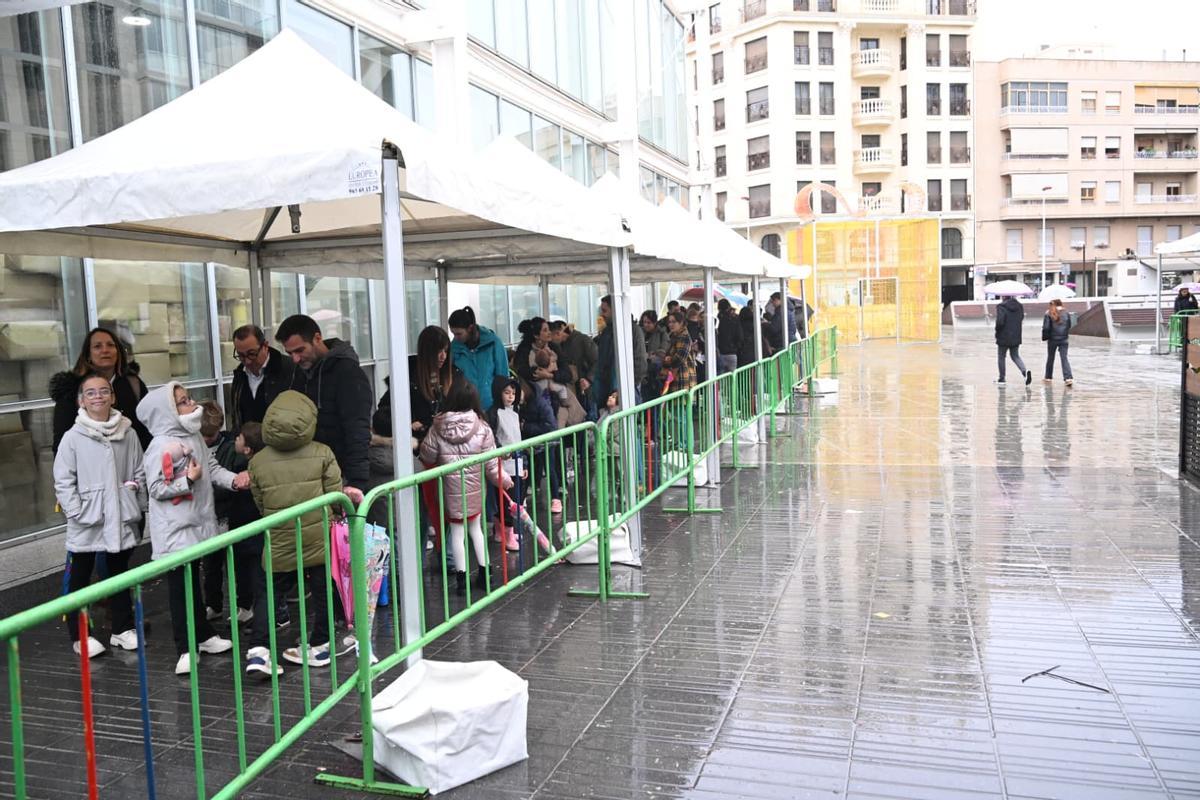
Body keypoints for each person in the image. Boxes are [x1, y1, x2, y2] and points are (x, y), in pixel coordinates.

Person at [138, 382, 245, 675]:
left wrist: (234, 480)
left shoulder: (193, 435)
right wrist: (188, 480)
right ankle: (184, 646)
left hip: (198, 522)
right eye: (184, 402)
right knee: (179, 588)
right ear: (168, 413)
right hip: (175, 530)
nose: (192, 403)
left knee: (192, 583)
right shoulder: (160, 446)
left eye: (188, 398)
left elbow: (210, 468)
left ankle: (204, 634)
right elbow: (157, 488)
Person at [245, 390, 345, 673]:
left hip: (278, 536)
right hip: (318, 537)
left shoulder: (258, 461)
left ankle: (259, 651)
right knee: (322, 586)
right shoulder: (323, 453)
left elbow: (260, 502)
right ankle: (321, 645)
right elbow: (334, 495)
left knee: (269, 592)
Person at [53, 373, 146, 659]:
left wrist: (135, 499)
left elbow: (138, 470)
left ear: (113, 396)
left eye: (103, 391)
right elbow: (63, 479)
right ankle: (80, 635)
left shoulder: (127, 432)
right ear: (81, 400)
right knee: (80, 577)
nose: (98, 397)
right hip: (87, 519)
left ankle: (122, 628)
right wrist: (76, 511)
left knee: (118, 574)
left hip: (120, 515)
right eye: (90, 393)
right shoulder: (73, 437)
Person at [419, 381, 512, 596]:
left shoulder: (437, 426)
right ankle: (485, 573)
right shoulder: (482, 427)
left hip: (449, 490)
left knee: (457, 533)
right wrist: (505, 480)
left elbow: (427, 455)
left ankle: (461, 580)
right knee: (476, 530)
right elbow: (491, 465)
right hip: (475, 490)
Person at [275, 314, 371, 504]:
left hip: (340, 474)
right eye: (289, 353)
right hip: (310, 474)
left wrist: (356, 482)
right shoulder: (300, 373)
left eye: (300, 350)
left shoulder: (347, 372)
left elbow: (357, 429)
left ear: (317, 338)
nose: (295, 359)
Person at [199, 402, 256, 625]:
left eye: (210, 436)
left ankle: (244, 604)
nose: (206, 440)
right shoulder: (194, 445)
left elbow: (232, 478)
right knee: (211, 564)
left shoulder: (231, 449)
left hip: (228, 514)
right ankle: (213, 604)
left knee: (237, 563)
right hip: (209, 515)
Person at [51, 327, 150, 454]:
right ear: (88, 355)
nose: (105, 350)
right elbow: (62, 443)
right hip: (91, 467)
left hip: (132, 465)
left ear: (118, 352)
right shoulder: (72, 389)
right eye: (97, 346)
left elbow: (149, 428)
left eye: (110, 345)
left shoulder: (133, 384)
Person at [228, 325, 296, 432]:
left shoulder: (290, 370)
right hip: (247, 446)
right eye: (240, 355)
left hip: (281, 444)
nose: (247, 361)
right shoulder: (239, 375)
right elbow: (236, 417)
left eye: (252, 354)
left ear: (265, 346)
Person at [448, 306, 509, 413]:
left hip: (492, 407)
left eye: (459, 334)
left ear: (470, 328)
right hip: (466, 408)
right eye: (453, 333)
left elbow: (503, 376)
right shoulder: (454, 348)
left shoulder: (493, 343)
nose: (456, 338)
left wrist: (502, 405)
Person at [594, 295, 648, 406]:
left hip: (627, 388)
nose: (602, 315)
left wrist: (631, 384)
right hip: (609, 388)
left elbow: (640, 361)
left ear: (615, 309)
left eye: (604, 311)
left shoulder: (633, 331)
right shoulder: (607, 332)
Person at [549, 320, 598, 399]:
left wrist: (589, 379)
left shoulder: (583, 340)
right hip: (572, 390)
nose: (551, 341)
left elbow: (598, 361)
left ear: (558, 332)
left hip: (586, 390)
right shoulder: (561, 345)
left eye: (551, 337)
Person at [995, 296, 1032, 385]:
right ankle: (1024, 372)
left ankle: (1002, 378)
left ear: (1003, 296)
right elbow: (1021, 318)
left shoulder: (1001, 307)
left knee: (1001, 357)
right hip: (1016, 335)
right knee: (1015, 356)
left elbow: (1000, 322)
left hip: (1003, 336)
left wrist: (997, 330)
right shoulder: (1019, 306)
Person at [662, 311, 697, 392]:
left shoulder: (683, 336)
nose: (670, 324)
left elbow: (679, 358)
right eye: (669, 322)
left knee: (681, 404)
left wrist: (668, 360)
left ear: (681, 323)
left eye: (674, 322)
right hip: (679, 378)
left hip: (683, 378)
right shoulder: (675, 336)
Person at [1042, 299, 1074, 386]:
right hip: (1064, 339)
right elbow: (1069, 325)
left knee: (1050, 358)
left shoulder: (1048, 313)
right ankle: (1068, 378)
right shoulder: (1066, 312)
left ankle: (1048, 377)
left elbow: (1046, 328)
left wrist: (1045, 337)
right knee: (1064, 358)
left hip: (1052, 339)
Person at [512, 317, 551, 386]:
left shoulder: (553, 346)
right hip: (533, 385)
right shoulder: (524, 349)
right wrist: (538, 372)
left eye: (549, 330)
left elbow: (566, 372)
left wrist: (550, 375)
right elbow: (521, 370)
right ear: (536, 335)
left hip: (553, 381)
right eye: (545, 330)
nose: (549, 333)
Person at [716, 299, 742, 375]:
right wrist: (736, 347)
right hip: (732, 352)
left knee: (720, 379)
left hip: (720, 352)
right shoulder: (735, 319)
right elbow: (740, 336)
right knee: (732, 379)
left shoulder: (718, 319)